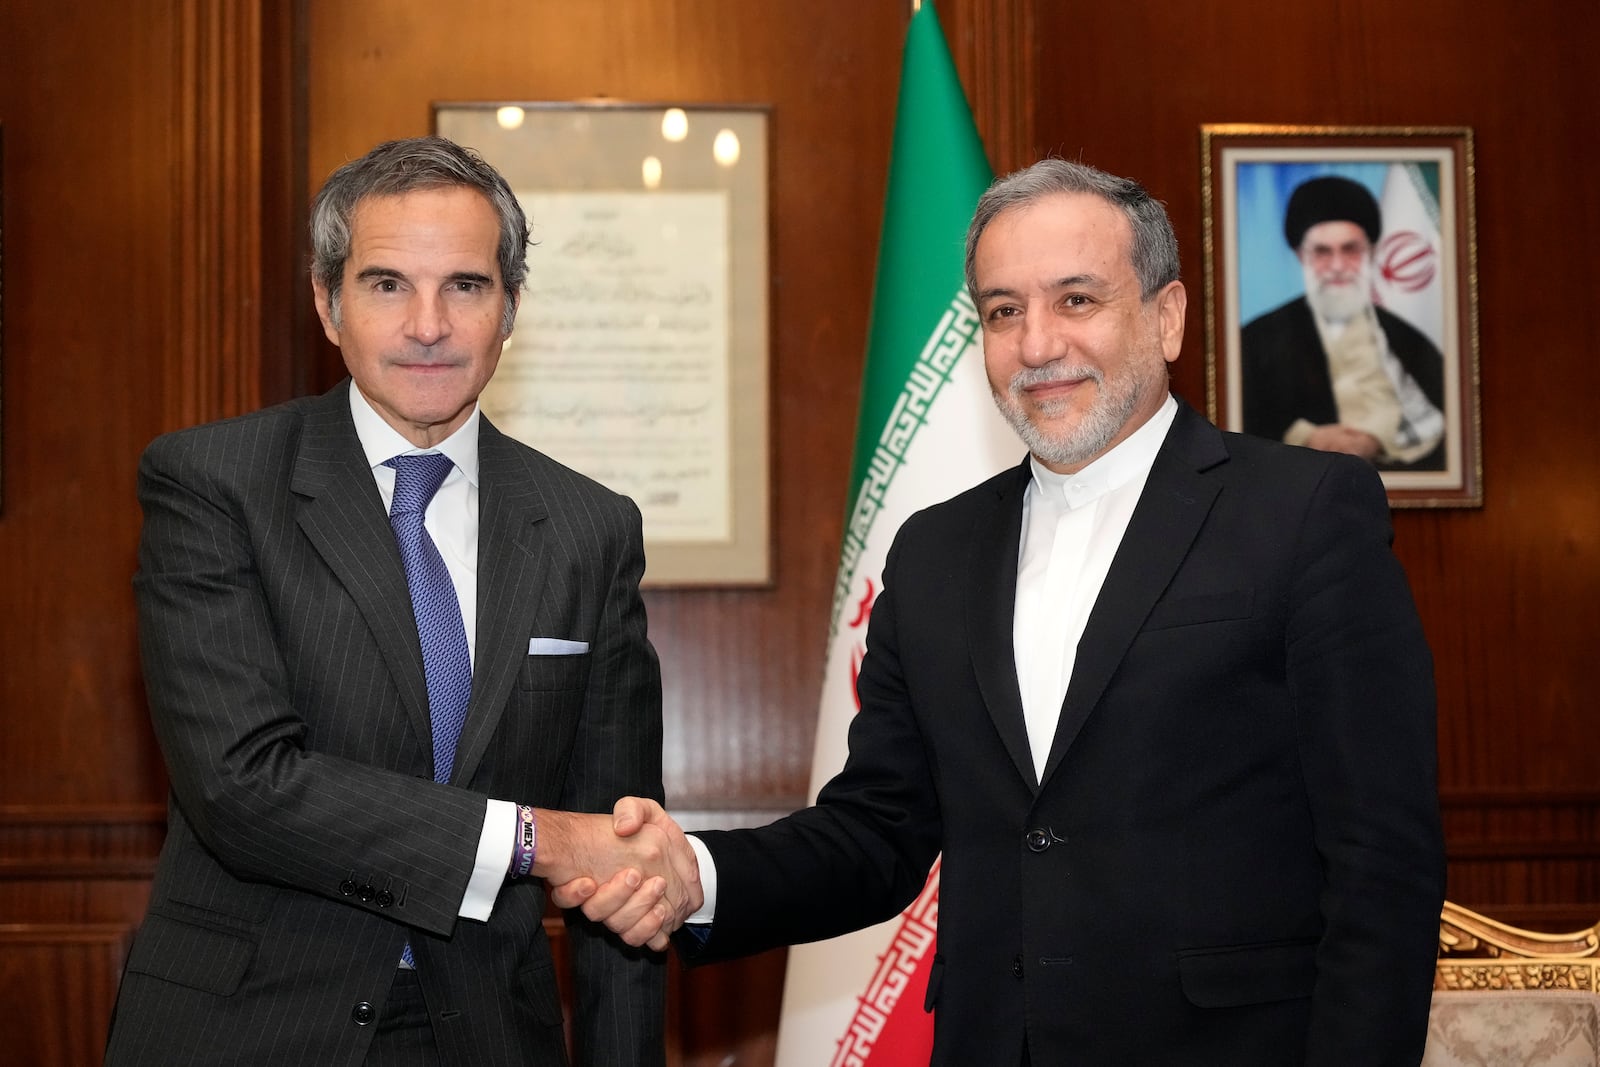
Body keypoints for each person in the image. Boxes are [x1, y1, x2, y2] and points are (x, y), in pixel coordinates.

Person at [561, 160, 1445, 1065]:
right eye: (1002, 311)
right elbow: (878, 829)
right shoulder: (935, 551)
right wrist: (694, 875)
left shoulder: (1304, 512)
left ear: (1167, 316)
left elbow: (1383, 863)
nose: (1036, 346)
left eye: (1076, 300)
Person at [104, 136, 699, 1067]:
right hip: (248, 1029)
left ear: (508, 310)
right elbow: (240, 784)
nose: (429, 323)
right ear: (326, 301)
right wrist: (531, 837)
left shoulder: (590, 528)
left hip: (491, 1037)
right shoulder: (212, 483)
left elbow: (618, 861)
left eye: (465, 285)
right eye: (387, 284)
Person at [1241, 175, 1446, 469]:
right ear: (1301, 257)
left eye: (1350, 250)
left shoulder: (1408, 340)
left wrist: (1378, 440)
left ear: (1371, 253)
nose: (1337, 267)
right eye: (1322, 252)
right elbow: (1241, 424)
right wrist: (1304, 438)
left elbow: (1444, 425)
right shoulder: (1256, 340)